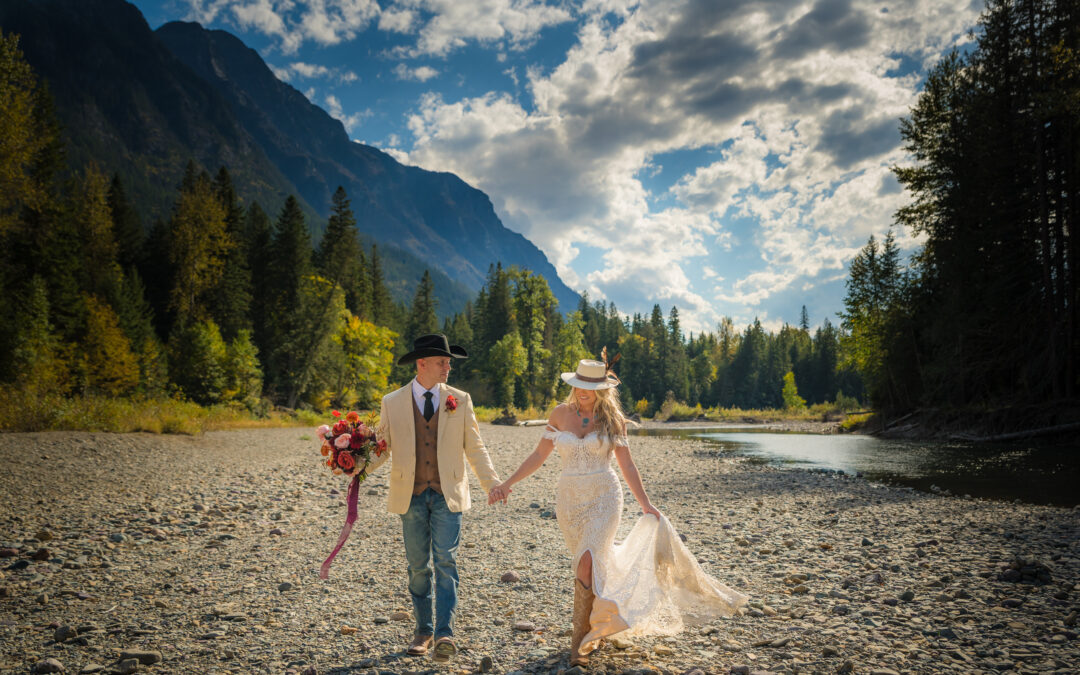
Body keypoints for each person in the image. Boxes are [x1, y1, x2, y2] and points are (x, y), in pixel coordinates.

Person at [488, 358, 748, 667]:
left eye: (591, 388)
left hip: (605, 496)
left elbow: (626, 464)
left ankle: (579, 645)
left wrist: (645, 504)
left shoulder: (613, 419)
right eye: (580, 386)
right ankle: (597, 628)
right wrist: (507, 483)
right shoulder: (559, 414)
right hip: (569, 501)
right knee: (590, 566)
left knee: (588, 560)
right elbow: (538, 455)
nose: (584, 392)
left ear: (602, 390)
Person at [352, 334, 501, 662]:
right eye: (442, 362)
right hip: (412, 496)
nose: (448, 367)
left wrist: (492, 483)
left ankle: (445, 633)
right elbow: (382, 448)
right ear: (422, 364)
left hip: (449, 494)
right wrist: (355, 467)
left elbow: (474, 446)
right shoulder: (392, 402)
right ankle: (423, 629)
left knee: (446, 561)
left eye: (448, 362)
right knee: (418, 567)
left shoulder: (460, 400)